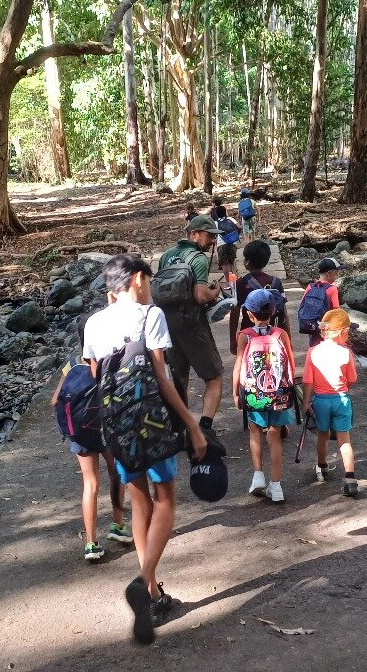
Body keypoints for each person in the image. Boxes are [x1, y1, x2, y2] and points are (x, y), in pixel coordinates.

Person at [82, 254, 207, 644]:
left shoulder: (94, 322)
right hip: (151, 424)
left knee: (140, 504)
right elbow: (162, 376)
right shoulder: (149, 314)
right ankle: (143, 580)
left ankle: (152, 593)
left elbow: (94, 375)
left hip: (115, 426)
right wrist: (192, 425)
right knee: (166, 500)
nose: (150, 288)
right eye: (148, 280)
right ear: (137, 279)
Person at [50, 316, 131, 561]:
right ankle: (117, 525)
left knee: (90, 484)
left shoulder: (71, 364)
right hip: (105, 428)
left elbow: (55, 400)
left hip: (80, 432)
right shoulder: (109, 361)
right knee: (116, 473)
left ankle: (90, 543)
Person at [157, 215, 225, 430]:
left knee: (178, 378)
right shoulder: (198, 258)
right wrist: (216, 291)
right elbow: (201, 296)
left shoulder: (167, 255)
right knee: (214, 377)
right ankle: (205, 428)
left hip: (167, 325)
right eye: (208, 236)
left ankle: (180, 427)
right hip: (192, 325)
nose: (212, 241)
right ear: (194, 234)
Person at [233, 289, 296, 503]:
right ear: (274, 311)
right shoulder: (281, 334)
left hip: (254, 394)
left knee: (255, 432)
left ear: (249, 314)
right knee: (275, 436)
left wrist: (236, 392)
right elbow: (291, 363)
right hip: (279, 394)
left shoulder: (244, 336)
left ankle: (258, 475)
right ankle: (276, 486)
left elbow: (238, 365)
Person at [301, 308, 360, 497]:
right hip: (341, 398)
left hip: (321, 400)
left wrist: (306, 402)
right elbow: (352, 379)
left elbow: (308, 380)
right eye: (347, 332)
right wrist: (343, 385)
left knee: (323, 435)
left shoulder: (313, 352)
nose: (348, 335)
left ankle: (322, 467)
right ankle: (350, 479)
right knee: (344, 439)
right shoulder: (345, 353)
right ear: (341, 332)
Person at [229, 239, 289, 355]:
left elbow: (235, 312)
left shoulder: (241, 283)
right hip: (274, 335)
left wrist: (232, 339)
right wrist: (288, 337)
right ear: (266, 262)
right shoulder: (276, 283)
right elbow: (284, 312)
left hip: (249, 335)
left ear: (247, 261)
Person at [301, 257, 342, 347]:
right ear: (329, 273)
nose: (337, 276)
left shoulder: (310, 287)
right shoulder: (332, 289)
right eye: (336, 273)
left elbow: (302, 306)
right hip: (326, 329)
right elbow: (336, 311)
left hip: (311, 325)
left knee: (314, 348)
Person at [210, 206, 241, 285]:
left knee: (224, 264)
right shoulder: (231, 219)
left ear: (216, 213)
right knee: (232, 262)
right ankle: (235, 281)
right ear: (225, 212)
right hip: (232, 243)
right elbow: (239, 226)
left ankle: (229, 283)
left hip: (221, 244)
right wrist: (236, 234)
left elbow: (213, 234)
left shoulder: (216, 223)